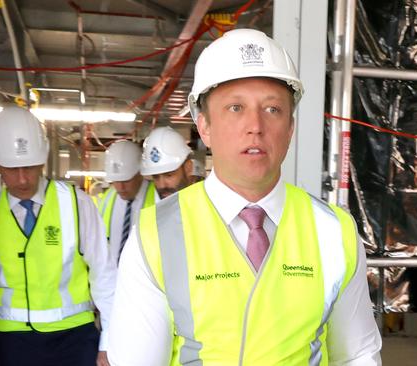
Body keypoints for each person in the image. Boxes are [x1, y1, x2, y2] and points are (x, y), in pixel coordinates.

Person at [107, 29, 382, 365]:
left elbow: (357, 355)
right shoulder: (155, 234)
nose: (255, 125)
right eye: (235, 108)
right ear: (204, 126)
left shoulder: (334, 231)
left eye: (272, 109)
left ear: (291, 129)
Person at [0, 106, 116, 366]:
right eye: (12, 168)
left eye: (30, 167)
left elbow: (105, 275)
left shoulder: (77, 204)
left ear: (43, 157)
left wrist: (109, 342)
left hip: (73, 340)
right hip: (9, 344)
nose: (23, 179)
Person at [98, 140, 157, 264]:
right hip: (113, 278)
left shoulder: (158, 197)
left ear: (140, 173)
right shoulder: (107, 199)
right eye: (115, 181)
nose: (120, 187)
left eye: (126, 180)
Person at [140, 126, 193, 200]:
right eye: (156, 177)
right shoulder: (152, 209)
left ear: (188, 168)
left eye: (169, 175)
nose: (161, 185)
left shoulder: (206, 207)